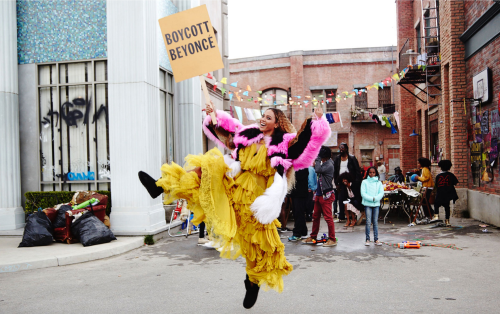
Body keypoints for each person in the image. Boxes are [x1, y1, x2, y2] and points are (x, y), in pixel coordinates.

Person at [138, 102, 330, 309]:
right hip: (235, 190)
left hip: (258, 203)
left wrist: (315, 121)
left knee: (256, 247)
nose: (263, 119)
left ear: (277, 123)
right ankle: (160, 186)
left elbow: (303, 142)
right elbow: (227, 137)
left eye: (268, 117)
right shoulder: (248, 137)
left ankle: (252, 283)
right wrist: (214, 119)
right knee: (207, 167)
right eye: (262, 116)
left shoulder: (283, 145)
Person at [303, 146, 337, 247]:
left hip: (326, 195)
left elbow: (317, 169)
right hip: (319, 194)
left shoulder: (329, 164)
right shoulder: (325, 163)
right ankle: (313, 236)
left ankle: (332, 239)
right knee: (315, 216)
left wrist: (317, 158)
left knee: (328, 217)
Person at [333, 143, 361, 222]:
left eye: (343, 148)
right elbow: (335, 172)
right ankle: (341, 216)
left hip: (351, 183)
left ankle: (353, 216)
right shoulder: (337, 159)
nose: (341, 149)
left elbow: (357, 171)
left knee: (351, 199)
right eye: (340, 148)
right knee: (341, 199)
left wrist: (356, 183)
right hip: (341, 182)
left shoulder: (352, 158)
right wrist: (336, 184)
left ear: (346, 149)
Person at [361, 167, 384, 245]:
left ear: (376, 173)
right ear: (368, 173)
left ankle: (376, 239)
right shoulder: (364, 182)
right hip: (367, 204)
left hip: (376, 204)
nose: (372, 174)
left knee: (375, 222)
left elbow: (381, 193)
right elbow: (363, 193)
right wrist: (372, 199)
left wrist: (376, 199)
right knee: (368, 221)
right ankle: (367, 239)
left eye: (373, 172)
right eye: (370, 172)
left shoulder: (379, 183)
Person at [433, 160, 459, 227]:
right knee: (447, 207)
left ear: (440, 167)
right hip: (447, 193)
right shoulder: (451, 175)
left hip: (440, 193)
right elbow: (455, 183)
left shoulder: (438, 176)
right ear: (449, 167)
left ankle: (436, 216)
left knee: (436, 204)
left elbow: (436, 185)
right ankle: (447, 221)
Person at [288, 168, 309, 241]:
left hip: (299, 193)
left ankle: (297, 233)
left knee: (298, 213)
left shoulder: (302, 166)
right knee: (299, 212)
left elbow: (298, 177)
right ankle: (303, 231)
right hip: (298, 193)